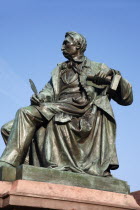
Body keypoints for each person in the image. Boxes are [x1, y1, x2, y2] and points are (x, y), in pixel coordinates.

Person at [0, 32, 133, 177]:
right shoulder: (59, 70)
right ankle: (24, 170)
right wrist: (40, 97)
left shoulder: (98, 67)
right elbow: (48, 91)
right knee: (7, 128)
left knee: (25, 112)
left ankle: (8, 164)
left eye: (66, 43)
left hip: (82, 109)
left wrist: (113, 77)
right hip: (59, 105)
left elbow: (126, 98)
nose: (62, 47)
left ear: (78, 46)